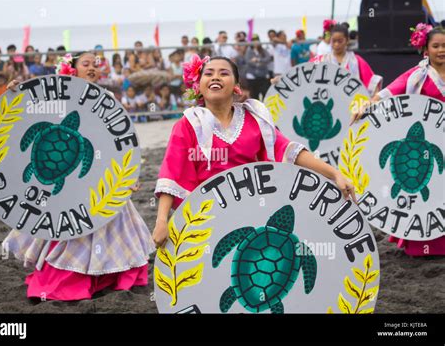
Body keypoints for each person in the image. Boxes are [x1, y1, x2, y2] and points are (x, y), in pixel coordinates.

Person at [152, 55, 356, 247]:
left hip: (252, 213)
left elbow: (289, 150)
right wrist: (161, 220)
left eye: (224, 73)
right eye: (209, 73)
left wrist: (334, 174)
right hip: (207, 218)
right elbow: (171, 173)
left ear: (237, 87)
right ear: (199, 85)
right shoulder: (188, 125)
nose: (215, 76)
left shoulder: (255, 119)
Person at [3, 52, 155, 300]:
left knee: (112, 225)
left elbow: (121, 140)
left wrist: (130, 173)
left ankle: (106, 277)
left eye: (96, 64)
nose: (93, 68)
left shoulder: (107, 99)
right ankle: (66, 281)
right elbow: (28, 113)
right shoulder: (57, 97)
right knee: (70, 227)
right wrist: (17, 93)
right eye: (86, 64)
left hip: (103, 178)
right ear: (71, 69)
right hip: (69, 186)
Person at [352, 25, 445, 257]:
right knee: (430, 194)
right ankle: (424, 246)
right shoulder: (417, 76)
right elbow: (390, 92)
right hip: (425, 149)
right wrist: (367, 103)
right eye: (436, 46)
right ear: (425, 48)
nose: (441, 50)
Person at [311, 24, 382, 96]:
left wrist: (374, 99)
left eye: (340, 41)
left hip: (352, 104)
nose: (336, 44)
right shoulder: (321, 60)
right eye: (334, 41)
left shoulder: (357, 61)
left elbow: (372, 84)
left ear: (347, 40)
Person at [244, 34, 271, 100]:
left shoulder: (263, 50)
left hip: (263, 76)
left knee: (265, 94)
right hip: (252, 77)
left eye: (256, 40)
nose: (255, 42)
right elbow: (248, 61)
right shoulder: (249, 51)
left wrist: (257, 60)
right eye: (253, 41)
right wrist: (259, 64)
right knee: (254, 96)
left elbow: (268, 59)